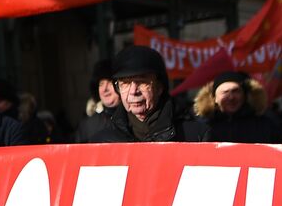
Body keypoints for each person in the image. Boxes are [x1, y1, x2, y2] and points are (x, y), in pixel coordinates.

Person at [78, 46, 208, 143]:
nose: (134, 91)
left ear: (159, 87)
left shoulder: (195, 136)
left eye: (142, 82)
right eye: (125, 84)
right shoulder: (102, 142)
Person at [193, 70, 282, 143]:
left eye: (236, 91)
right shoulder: (202, 128)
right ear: (214, 99)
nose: (231, 97)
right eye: (225, 92)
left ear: (245, 96)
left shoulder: (266, 124)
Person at [74, 59, 119, 142]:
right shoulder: (87, 125)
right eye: (101, 84)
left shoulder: (133, 121)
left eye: (109, 82)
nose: (105, 89)